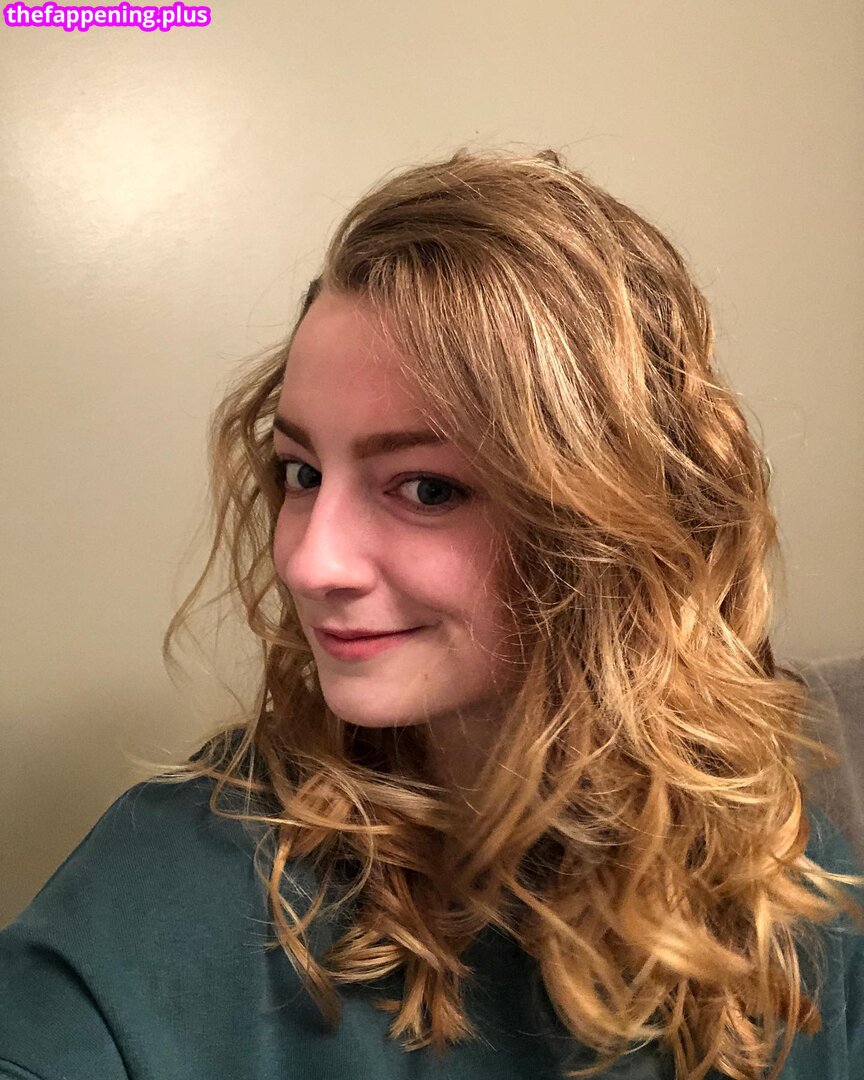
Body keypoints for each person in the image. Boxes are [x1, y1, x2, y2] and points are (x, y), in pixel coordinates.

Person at [1, 147, 862, 1080]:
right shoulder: (180, 877)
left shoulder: (771, 855)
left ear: (611, 522)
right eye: (301, 473)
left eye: (426, 488)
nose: (310, 562)